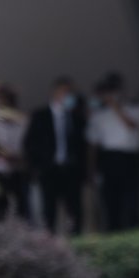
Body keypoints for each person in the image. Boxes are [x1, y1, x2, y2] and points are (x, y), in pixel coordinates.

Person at [23, 76, 87, 234]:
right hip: (49, 169)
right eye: (66, 92)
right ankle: (48, 241)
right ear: (56, 92)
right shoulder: (41, 116)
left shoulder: (77, 118)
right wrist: (37, 166)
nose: (69, 96)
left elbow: (82, 146)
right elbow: (30, 143)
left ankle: (76, 240)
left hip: (71, 170)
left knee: (75, 210)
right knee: (48, 209)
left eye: (71, 93)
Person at [87, 71, 139, 231]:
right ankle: (113, 229)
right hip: (109, 159)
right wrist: (92, 169)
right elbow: (93, 145)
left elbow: (133, 126)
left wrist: (115, 106)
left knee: (131, 197)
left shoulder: (135, 107)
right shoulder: (99, 114)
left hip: (130, 157)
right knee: (110, 198)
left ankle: (133, 228)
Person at [0, 84, 31, 222]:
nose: (1, 102)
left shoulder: (22, 120)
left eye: (4, 98)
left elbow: (26, 144)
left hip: (17, 169)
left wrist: (16, 156)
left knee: (21, 205)